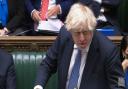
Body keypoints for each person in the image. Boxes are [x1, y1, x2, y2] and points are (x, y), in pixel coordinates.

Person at [34, 3, 125, 89]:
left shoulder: (108, 50)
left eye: (85, 32)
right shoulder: (64, 35)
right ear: (70, 30)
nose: (82, 38)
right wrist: (39, 86)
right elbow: (47, 64)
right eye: (77, 33)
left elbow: (119, 85)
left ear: (92, 28)